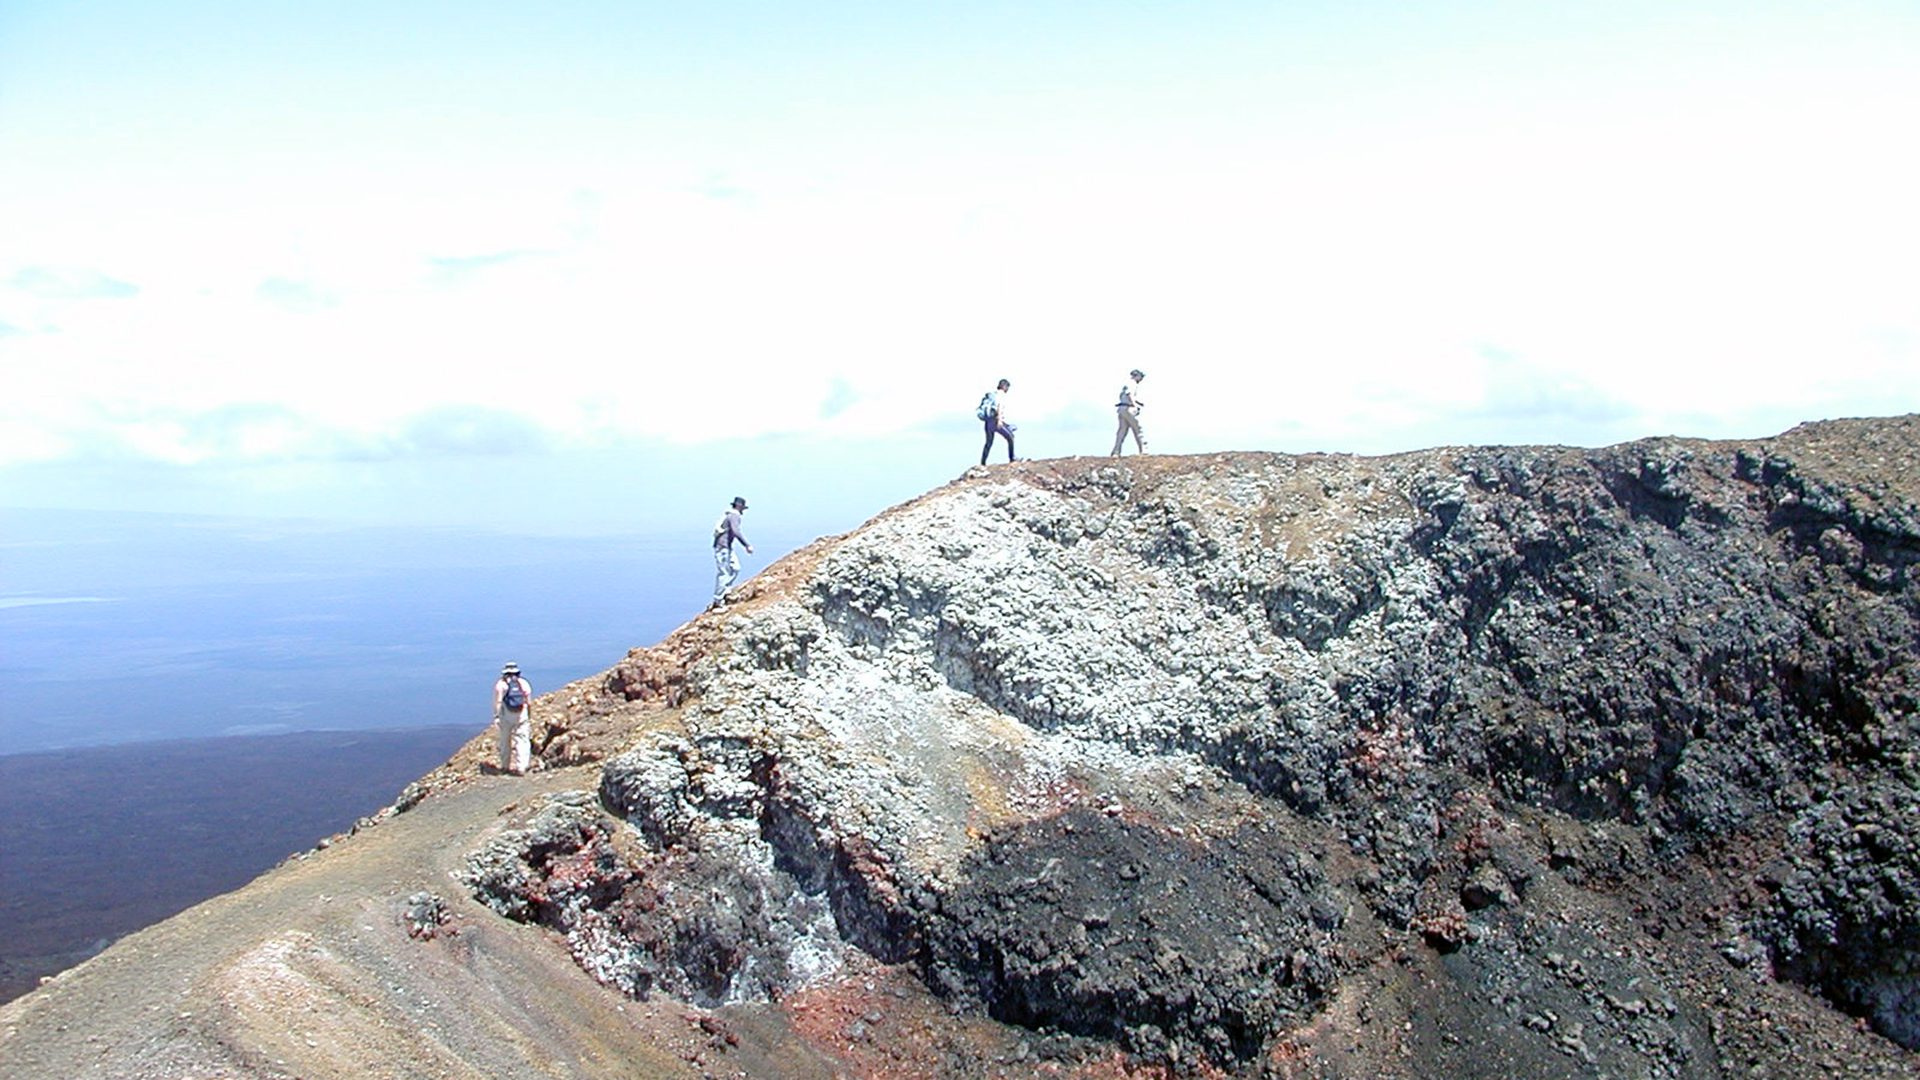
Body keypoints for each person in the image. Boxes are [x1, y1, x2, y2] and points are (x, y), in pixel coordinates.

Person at [711, 495, 754, 608]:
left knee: (735, 568)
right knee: (724, 573)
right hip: (723, 548)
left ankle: (726, 590)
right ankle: (718, 600)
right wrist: (747, 545)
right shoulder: (734, 516)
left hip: (726, 547)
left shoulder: (729, 515)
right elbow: (736, 531)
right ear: (740, 507)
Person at [492, 661, 532, 776]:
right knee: (523, 740)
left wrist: (496, 716)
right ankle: (522, 767)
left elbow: (498, 701)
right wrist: (529, 714)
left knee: (505, 740)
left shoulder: (501, 684)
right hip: (521, 714)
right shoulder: (523, 683)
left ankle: (505, 766)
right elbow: (528, 702)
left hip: (506, 715)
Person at [1111, 368, 1147, 456]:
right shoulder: (1132, 384)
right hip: (1129, 408)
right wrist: (1135, 405)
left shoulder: (1126, 384)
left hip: (1121, 408)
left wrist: (1139, 403)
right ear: (1137, 376)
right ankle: (1143, 450)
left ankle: (1116, 451)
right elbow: (1129, 394)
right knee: (1138, 429)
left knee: (1122, 431)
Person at [980, 378, 1016, 465]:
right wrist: (1000, 420)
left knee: (988, 443)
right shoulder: (1001, 395)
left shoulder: (992, 394)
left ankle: (983, 462)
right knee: (1010, 437)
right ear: (1004, 386)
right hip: (995, 421)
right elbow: (999, 407)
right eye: (1007, 387)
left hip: (988, 422)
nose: (1007, 389)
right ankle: (1012, 458)